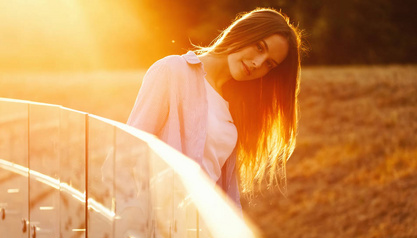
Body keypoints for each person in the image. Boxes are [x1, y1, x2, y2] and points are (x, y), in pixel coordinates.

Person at [127, 8, 302, 209]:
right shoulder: (172, 71)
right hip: (158, 222)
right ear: (244, 31)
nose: (257, 63)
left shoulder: (235, 107)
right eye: (260, 47)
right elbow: (128, 151)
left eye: (269, 64)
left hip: (200, 230)